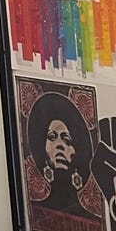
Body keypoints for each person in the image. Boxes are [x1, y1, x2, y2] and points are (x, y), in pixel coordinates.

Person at [26, 90, 97, 221]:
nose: (59, 145)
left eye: (67, 140)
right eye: (52, 137)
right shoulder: (35, 213)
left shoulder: (90, 218)